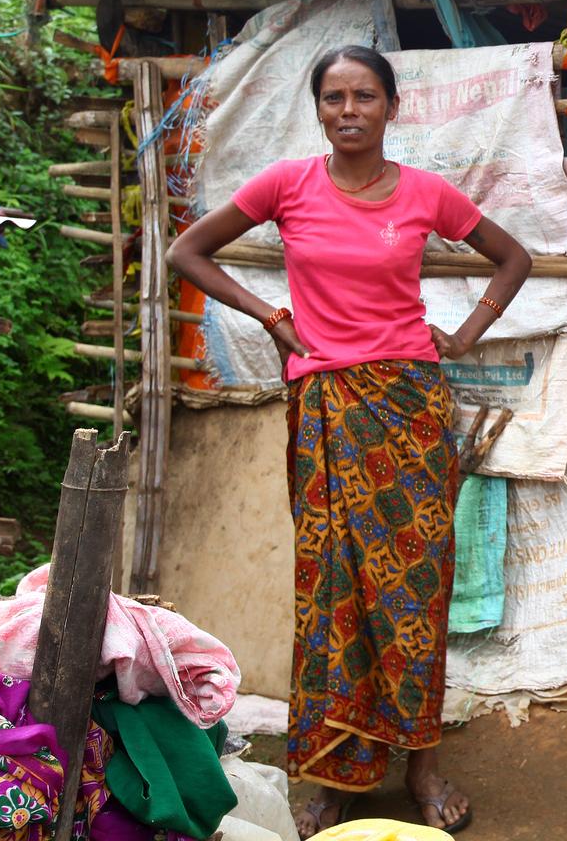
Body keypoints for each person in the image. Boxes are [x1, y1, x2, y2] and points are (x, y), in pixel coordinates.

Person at [168, 44, 532, 838]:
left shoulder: (426, 194)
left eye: (365, 96)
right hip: (326, 406)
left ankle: (423, 766)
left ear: (392, 107)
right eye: (333, 98)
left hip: (409, 411)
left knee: (415, 592)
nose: (349, 111)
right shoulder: (285, 186)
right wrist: (270, 317)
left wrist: (467, 333)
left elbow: (513, 258)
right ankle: (331, 775)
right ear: (320, 108)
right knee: (331, 590)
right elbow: (185, 251)